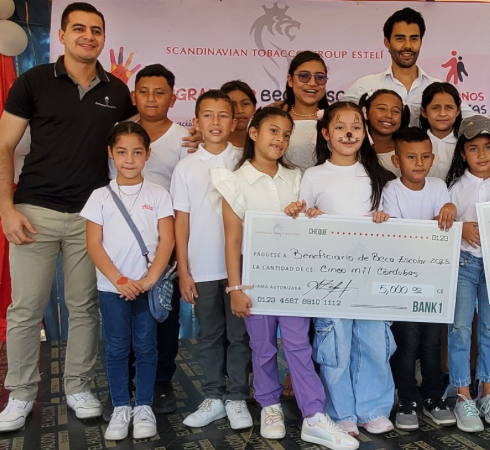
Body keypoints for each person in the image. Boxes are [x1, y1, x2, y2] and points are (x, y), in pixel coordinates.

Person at [0, 2, 138, 433]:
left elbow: (134, 143)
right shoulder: (34, 81)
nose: (88, 36)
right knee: (25, 309)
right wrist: (7, 208)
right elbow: (2, 147)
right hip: (33, 211)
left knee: (83, 307)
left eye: (96, 30)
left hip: (90, 217)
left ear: (103, 38)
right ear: (63, 34)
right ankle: (20, 394)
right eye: (79, 29)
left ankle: (78, 386)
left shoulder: (117, 90)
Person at [214, 107, 360, 450]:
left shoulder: (295, 178)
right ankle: (269, 405)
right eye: (273, 131)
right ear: (254, 134)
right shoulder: (234, 181)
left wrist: (308, 215)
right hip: (254, 274)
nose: (279, 140)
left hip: (294, 274)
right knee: (262, 347)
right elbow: (233, 240)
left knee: (298, 343)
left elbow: (308, 224)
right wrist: (235, 288)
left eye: (285, 134)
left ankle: (313, 415)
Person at [298, 101, 396, 436]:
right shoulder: (312, 176)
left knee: (373, 343)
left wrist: (385, 220)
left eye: (356, 125)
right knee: (335, 345)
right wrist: (307, 217)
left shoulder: (378, 177)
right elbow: (300, 225)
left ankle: (373, 408)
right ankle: (341, 412)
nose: (349, 132)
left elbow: (392, 227)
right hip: (330, 278)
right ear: (325, 134)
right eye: (340, 126)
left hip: (371, 276)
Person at [105, 64, 191, 417]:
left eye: (160, 92)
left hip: (163, 242)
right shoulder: (117, 132)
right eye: (144, 91)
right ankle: (124, 384)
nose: (151, 99)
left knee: (162, 316)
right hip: (119, 243)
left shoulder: (185, 138)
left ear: (173, 96)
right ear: (133, 95)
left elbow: (186, 193)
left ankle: (161, 382)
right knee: (120, 318)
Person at [81, 123, 174, 440]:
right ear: (111, 153)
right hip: (113, 289)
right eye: (122, 152)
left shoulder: (159, 194)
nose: (130, 159)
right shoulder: (99, 197)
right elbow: (94, 244)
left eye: (137, 152)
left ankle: (144, 405)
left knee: (147, 347)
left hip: (147, 289)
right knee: (117, 348)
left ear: (148, 154)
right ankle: (121, 406)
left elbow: (167, 241)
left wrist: (149, 279)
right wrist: (119, 279)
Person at [170, 90, 252, 429]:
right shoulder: (186, 167)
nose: (215, 122)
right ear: (197, 121)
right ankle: (213, 396)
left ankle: (236, 397)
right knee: (209, 334)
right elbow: (181, 221)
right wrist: (184, 272)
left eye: (223, 116)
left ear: (234, 122)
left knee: (239, 335)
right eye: (208, 115)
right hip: (201, 267)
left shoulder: (244, 161)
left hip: (242, 269)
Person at [381, 127, 457, 431]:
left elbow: (445, 222)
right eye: (411, 157)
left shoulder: (439, 187)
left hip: (435, 279)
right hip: (403, 280)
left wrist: (450, 207)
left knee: (431, 342)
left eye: (426, 156)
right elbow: (398, 236)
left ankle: (433, 398)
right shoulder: (391, 191)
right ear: (396, 160)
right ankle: (407, 399)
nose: (419, 162)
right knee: (407, 342)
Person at [445, 115, 490, 432]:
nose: (482, 154)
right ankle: (463, 395)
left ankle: (489, 392)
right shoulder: (453, 187)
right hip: (463, 264)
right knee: (460, 327)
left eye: (488, 147)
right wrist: (460, 228)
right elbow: (443, 225)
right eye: (474, 149)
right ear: (463, 153)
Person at [345, 8, 456, 126]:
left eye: (414, 39)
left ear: (421, 42)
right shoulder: (365, 86)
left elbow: (472, 122)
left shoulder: (440, 90)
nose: (408, 45)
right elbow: (336, 120)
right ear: (387, 42)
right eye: (400, 38)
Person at [278, 51, 330, 171]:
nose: (312, 83)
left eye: (320, 77)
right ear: (290, 80)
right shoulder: (276, 119)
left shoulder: (334, 120)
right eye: (304, 76)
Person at [359, 89, 409, 176]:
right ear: (366, 113)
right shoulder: (353, 149)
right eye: (382, 109)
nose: (389, 115)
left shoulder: (407, 150)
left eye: (396, 111)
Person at [420, 82, 462, 179]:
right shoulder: (415, 144)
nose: (442, 113)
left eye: (449, 107)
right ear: (424, 112)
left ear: (457, 111)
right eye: (435, 108)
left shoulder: (465, 142)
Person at [220, 80, 258, 149]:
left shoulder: (260, 146)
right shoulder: (213, 147)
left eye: (245, 104)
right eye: (233, 105)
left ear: (254, 108)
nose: (240, 110)